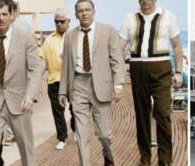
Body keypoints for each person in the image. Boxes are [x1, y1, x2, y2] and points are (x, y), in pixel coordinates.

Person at [58, 0, 125, 165]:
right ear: (75, 15)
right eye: (80, 11)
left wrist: (118, 84)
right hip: (78, 84)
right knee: (81, 134)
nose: (84, 13)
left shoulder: (108, 31)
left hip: (101, 85)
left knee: (104, 134)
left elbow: (117, 59)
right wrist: (62, 90)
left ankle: (108, 156)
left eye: (88, 10)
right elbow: (66, 64)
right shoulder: (70, 36)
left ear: (94, 11)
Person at [119, 0, 183, 165]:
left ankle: (165, 161)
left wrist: (178, 72)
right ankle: (145, 159)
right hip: (137, 69)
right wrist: (117, 73)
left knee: (162, 114)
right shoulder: (130, 18)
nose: (144, 2)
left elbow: (176, 46)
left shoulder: (168, 17)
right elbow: (119, 47)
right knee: (141, 115)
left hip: (161, 69)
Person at [0, 0, 44, 165]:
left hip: (20, 102)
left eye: (4, 14)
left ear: (11, 15)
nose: (1, 18)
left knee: (26, 149)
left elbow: (36, 68)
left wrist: (30, 95)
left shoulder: (25, 39)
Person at [40, 9, 77, 150]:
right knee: (58, 112)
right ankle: (62, 138)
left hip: (73, 80)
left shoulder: (75, 36)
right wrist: (36, 80)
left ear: (69, 21)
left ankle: (75, 129)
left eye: (62, 21)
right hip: (54, 80)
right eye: (57, 22)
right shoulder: (49, 39)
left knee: (76, 109)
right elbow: (42, 60)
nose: (59, 24)